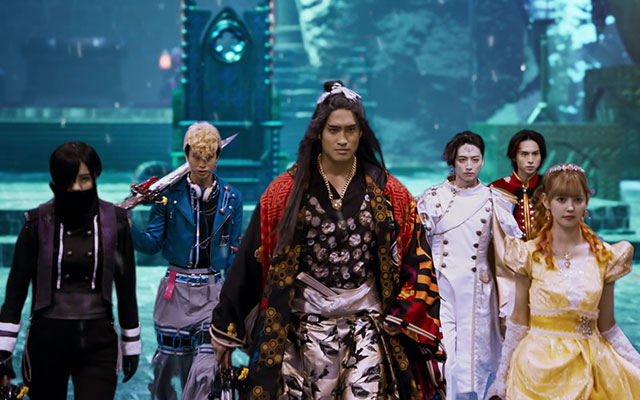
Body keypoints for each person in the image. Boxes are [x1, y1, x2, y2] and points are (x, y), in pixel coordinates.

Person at [209, 81, 445, 399]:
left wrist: (404, 312)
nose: (342, 139)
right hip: (299, 331)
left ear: (361, 133)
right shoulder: (284, 192)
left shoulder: (390, 192)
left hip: (367, 328)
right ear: (318, 132)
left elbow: (417, 259)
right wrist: (226, 326)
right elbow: (252, 258)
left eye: (351, 130)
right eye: (334, 130)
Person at [0, 142, 141, 399]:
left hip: (99, 342)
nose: (76, 187)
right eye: (68, 180)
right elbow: (16, 291)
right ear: (56, 180)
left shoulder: (116, 221)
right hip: (46, 342)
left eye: (84, 179)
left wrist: (131, 343)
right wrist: (3, 351)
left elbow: (126, 286)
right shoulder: (36, 223)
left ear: (96, 176)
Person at [486, 163, 640, 399]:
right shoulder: (528, 255)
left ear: (586, 201)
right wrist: (500, 380)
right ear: (546, 201)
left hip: (590, 368)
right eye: (561, 199)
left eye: (577, 199)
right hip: (535, 370)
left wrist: (636, 362)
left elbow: (608, 327)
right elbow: (518, 322)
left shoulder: (605, 257)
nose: (570, 207)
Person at [130, 121, 243, 399]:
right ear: (186, 155)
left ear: (217, 157)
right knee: (169, 373)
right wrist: (127, 227)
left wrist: (234, 300)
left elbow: (233, 251)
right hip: (175, 294)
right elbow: (151, 243)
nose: (202, 164)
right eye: (196, 157)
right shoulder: (168, 196)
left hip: (212, 294)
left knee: (207, 372)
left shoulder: (231, 198)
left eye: (209, 157)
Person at [415, 131, 522, 400]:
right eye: (462, 159)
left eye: (475, 159)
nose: (469, 166)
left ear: (483, 161)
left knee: (477, 359)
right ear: (453, 162)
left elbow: (511, 250)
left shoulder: (494, 200)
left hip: (479, 291)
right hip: (441, 288)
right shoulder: (433, 199)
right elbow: (415, 245)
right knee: (445, 356)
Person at [490, 130, 547, 240]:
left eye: (535, 154)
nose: (530, 160)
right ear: (514, 156)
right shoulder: (497, 188)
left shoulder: (549, 185)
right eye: (524, 154)